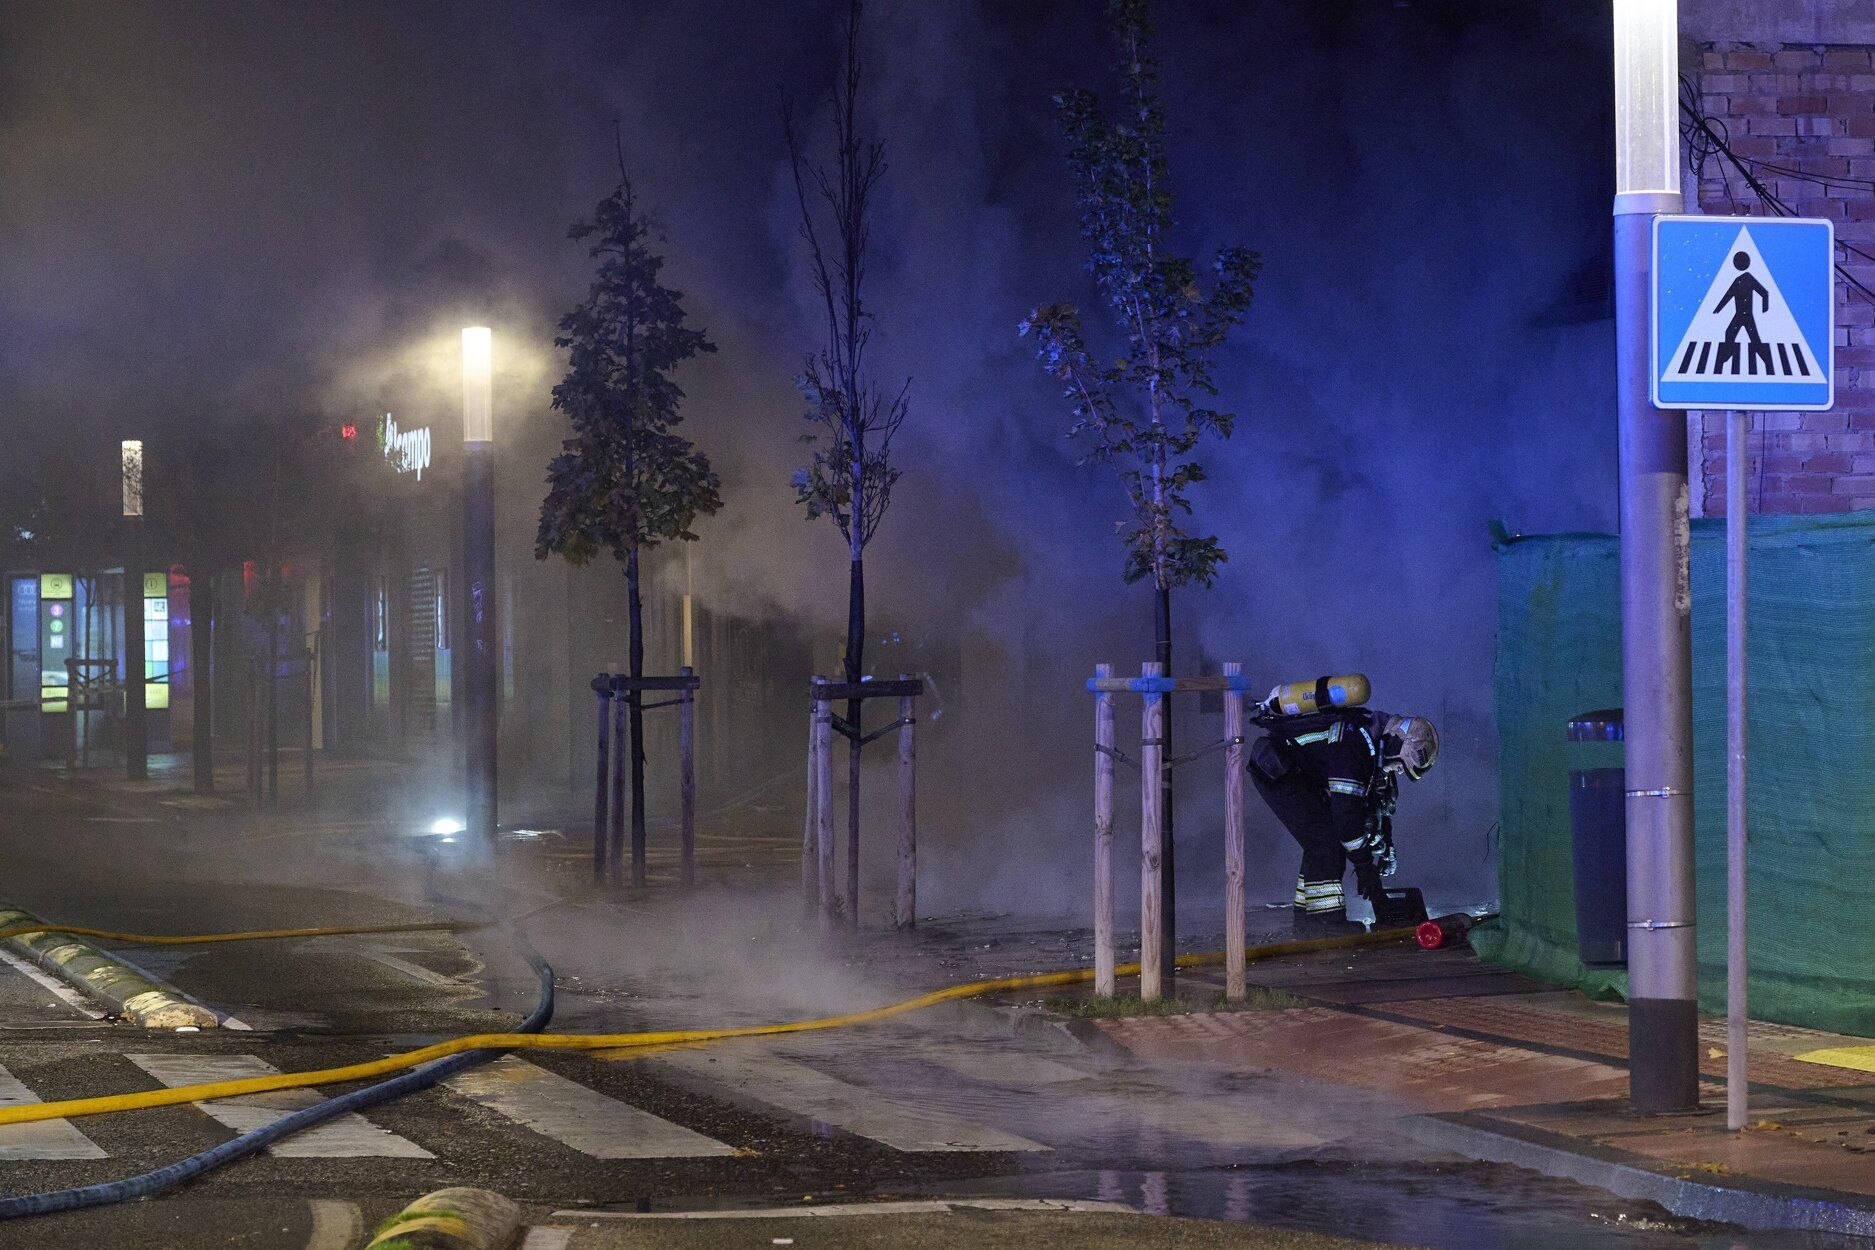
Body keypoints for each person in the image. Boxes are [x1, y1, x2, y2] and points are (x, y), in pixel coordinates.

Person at [1246, 681, 1439, 935]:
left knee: (1323, 837)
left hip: (1295, 773)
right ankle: (1324, 921)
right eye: (1401, 764)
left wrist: (1385, 845)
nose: (1399, 771)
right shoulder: (1352, 746)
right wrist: (1364, 867)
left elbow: (1375, 806)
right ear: (1395, 743)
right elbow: (1347, 818)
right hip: (1276, 770)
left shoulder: (1372, 749)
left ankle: (1305, 918)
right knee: (1325, 838)